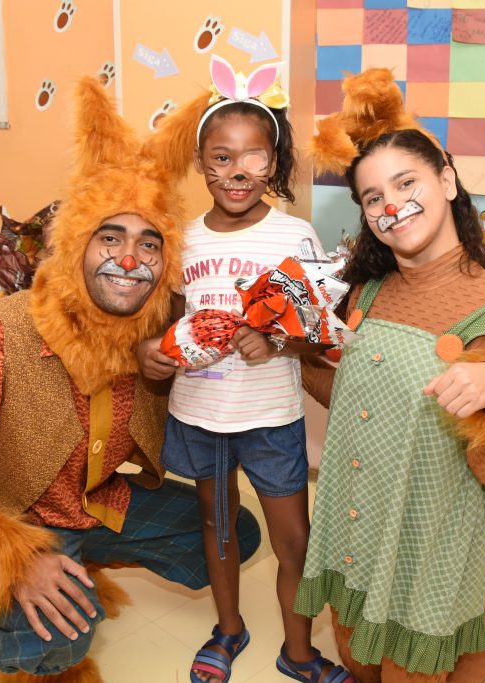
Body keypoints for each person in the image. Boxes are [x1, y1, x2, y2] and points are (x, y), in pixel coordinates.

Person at [0, 75, 261, 683]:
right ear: (74, 246)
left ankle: (79, 558)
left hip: (90, 504)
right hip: (9, 515)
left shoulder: (154, 328)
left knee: (234, 533)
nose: (128, 259)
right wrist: (11, 558)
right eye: (109, 237)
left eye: (149, 244)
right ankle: (34, 604)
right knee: (59, 644)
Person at [294, 69, 485, 683]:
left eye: (405, 183)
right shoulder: (369, 289)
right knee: (357, 662)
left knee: (411, 675)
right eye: (373, 197)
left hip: (427, 540)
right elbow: (353, 399)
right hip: (355, 519)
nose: (391, 205)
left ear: (448, 180)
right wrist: (292, 354)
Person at [136, 55, 354, 683]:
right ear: (201, 163)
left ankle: (299, 651)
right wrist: (151, 354)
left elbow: (316, 337)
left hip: (271, 416)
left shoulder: (297, 237)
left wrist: (277, 343)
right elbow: (168, 323)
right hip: (200, 413)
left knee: (294, 541)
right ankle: (228, 629)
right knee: (218, 528)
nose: (237, 171)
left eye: (254, 156)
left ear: (275, 161)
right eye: (221, 156)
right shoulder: (180, 240)